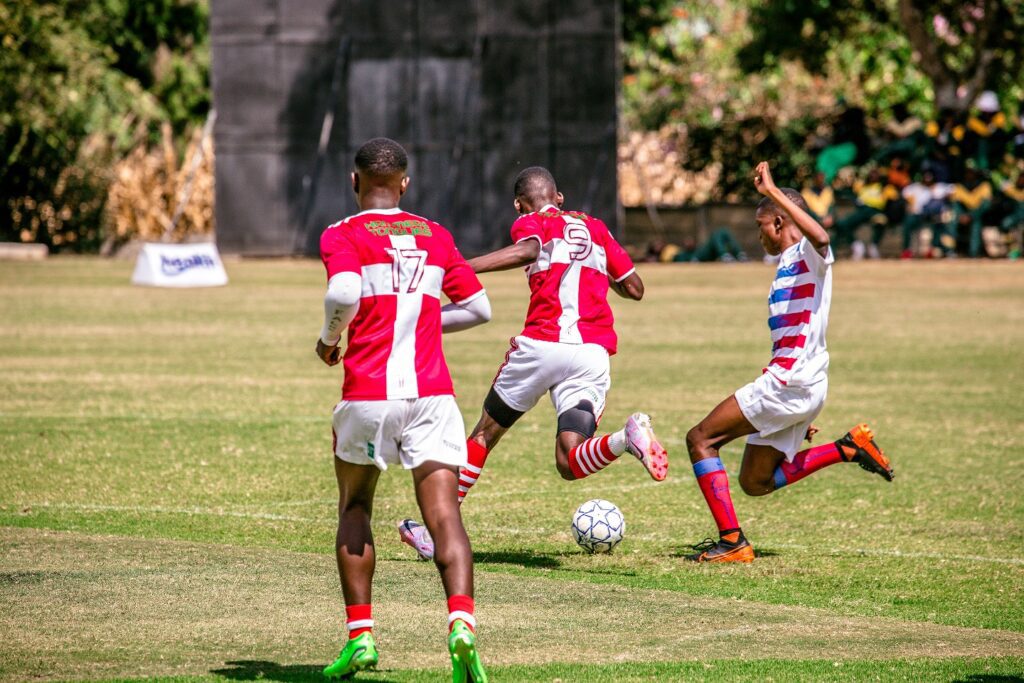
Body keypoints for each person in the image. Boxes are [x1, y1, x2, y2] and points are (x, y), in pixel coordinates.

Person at [398, 166, 668, 560]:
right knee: (569, 460)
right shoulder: (596, 228)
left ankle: (434, 534)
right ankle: (626, 439)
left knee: (484, 435)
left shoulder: (531, 221)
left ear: (519, 205)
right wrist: (594, 267)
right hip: (591, 353)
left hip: (543, 345)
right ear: (559, 197)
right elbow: (634, 288)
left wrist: (460, 268)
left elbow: (529, 249)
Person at [316, 138, 489, 681]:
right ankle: (461, 626)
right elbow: (479, 308)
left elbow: (344, 291)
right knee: (445, 515)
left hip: (369, 394)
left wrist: (328, 339)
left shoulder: (342, 233)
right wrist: (424, 322)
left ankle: (361, 638)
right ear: (405, 184)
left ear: (354, 180)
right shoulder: (435, 234)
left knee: (355, 506)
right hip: (432, 395)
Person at [682, 161, 894, 563]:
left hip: (791, 383)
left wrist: (774, 191)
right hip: (796, 385)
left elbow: (822, 236)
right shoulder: (784, 264)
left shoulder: (808, 254)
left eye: (761, 224)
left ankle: (732, 542)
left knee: (701, 439)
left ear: (779, 221)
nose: (758, 233)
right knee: (755, 481)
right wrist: (795, 409)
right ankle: (847, 449)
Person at [834, 168, 900, 259]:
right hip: (862, 211)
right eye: (871, 174)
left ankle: (873, 246)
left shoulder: (884, 187)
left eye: (875, 174)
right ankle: (856, 245)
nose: (873, 176)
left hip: (876, 211)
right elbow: (847, 188)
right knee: (843, 224)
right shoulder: (862, 186)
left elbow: (896, 198)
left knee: (881, 222)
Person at [900, 169, 955, 259]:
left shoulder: (940, 187)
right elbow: (905, 193)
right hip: (918, 215)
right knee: (908, 222)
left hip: (936, 216)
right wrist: (911, 204)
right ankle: (907, 250)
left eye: (930, 179)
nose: (927, 181)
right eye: (925, 178)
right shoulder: (915, 187)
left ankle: (946, 251)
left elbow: (953, 190)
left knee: (942, 226)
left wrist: (945, 201)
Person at [950, 166, 993, 257]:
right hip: (962, 215)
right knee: (951, 223)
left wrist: (971, 216)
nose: (969, 175)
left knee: (976, 225)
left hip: (978, 215)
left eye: (972, 172)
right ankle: (950, 251)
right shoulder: (959, 186)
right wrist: (962, 215)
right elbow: (955, 205)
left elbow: (986, 206)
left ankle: (973, 253)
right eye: (968, 172)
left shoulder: (984, 186)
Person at [671, 228, 748, 263]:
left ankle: (740, 255)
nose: (689, 242)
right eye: (687, 241)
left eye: (690, 240)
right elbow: (676, 259)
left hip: (704, 252)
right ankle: (725, 255)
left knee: (723, 231)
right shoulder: (682, 254)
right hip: (699, 257)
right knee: (716, 235)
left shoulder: (697, 248)